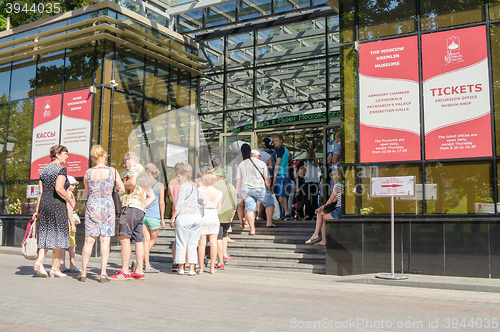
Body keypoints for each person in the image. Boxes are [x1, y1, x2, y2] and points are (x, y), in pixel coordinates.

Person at [80, 145, 125, 282]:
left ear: (93, 158)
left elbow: (87, 192)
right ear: (105, 155)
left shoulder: (88, 173)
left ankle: (83, 272)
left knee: (89, 240)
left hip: (92, 205)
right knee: (105, 240)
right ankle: (103, 273)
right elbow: (121, 189)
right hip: (107, 206)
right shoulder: (112, 171)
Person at [110, 152, 155, 280]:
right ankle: (139, 271)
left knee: (124, 237)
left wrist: (119, 186)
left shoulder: (135, 168)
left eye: (125, 161)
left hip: (130, 206)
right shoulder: (145, 175)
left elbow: (132, 182)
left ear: (131, 159)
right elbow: (152, 196)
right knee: (138, 240)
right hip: (140, 209)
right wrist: (143, 205)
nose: (124, 165)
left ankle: (124, 271)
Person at [32, 145, 76, 278]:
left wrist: (37, 209)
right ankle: (54, 268)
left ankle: (40, 262)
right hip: (57, 204)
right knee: (60, 234)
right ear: (57, 154)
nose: (67, 156)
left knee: (46, 232)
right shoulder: (61, 169)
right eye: (65, 154)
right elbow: (59, 189)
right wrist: (71, 201)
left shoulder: (44, 170)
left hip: (45, 203)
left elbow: (40, 192)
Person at [170, 163, 202, 276]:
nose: (177, 179)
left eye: (178, 177)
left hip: (184, 216)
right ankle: (192, 268)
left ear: (183, 177)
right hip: (196, 216)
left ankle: (181, 267)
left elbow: (179, 203)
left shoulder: (183, 187)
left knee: (181, 243)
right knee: (193, 244)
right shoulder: (194, 187)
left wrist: (173, 217)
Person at [236, 149, 276, 234]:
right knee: (270, 203)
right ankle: (269, 223)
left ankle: (252, 230)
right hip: (259, 189)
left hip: (246, 190)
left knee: (250, 209)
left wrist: (240, 190)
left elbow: (239, 179)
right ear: (259, 156)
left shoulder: (242, 164)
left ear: (250, 154)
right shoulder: (262, 164)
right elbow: (267, 178)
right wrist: (268, 189)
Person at [306, 170, 342, 246]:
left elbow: (330, 200)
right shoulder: (342, 185)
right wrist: (321, 208)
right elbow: (334, 201)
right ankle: (322, 240)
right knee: (322, 217)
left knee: (319, 214)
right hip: (340, 211)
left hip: (338, 211)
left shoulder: (337, 186)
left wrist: (321, 209)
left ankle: (316, 235)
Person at [197, 172, 222, 274]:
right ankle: (212, 267)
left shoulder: (200, 190)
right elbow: (219, 208)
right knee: (213, 242)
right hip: (214, 216)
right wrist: (214, 214)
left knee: (202, 243)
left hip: (203, 215)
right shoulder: (219, 192)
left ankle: (201, 268)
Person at [142, 163, 165, 273]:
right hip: (154, 216)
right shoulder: (160, 185)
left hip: (143, 214)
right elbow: (161, 203)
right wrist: (163, 218)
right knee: (153, 240)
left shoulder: (143, 184)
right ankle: (142, 260)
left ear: (146, 171)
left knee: (145, 241)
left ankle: (145, 264)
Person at [212, 167, 237, 269]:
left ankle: (220, 261)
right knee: (224, 236)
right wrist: (231, 216)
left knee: (217, 238)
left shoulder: (214, 186)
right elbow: (235, 203)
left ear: (217, 176)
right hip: (228, 215)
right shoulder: (231, 186)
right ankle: (224, 254)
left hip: (217, 215)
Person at [59, 176, 80, 274]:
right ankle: (72, 264)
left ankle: (62, 265)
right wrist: (73, 224)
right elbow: (70, 209)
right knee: (71, 244)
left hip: (63, 221)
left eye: (74, 185)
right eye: (72, 185)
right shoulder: (68, 194)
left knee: (64, 244)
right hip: (68, 222)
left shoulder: (63, 194)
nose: (73, 187)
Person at [272, 134, 291, 220]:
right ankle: (286, 213)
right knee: (283, 195)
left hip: (279, 174)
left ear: (281, 141)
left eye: (276, 140)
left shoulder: (280, 150)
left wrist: (275, 176)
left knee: (279, 196)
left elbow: (278, 163)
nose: (274, 142)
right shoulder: (286, 150)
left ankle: (279, 214)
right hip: (285, 174)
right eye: (274, 141)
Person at [237, 144, 251, 228]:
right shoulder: (250, 161)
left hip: (239, 183)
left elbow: (238, 174)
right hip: (247, 183)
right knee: (247, 203)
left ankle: (241, 222)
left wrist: (239, 189)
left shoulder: (238, 160)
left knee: (240, 204)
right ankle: (246, 222)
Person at [303, 148, 320, 220]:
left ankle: (307, 214)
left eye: (306, 153)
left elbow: (304, 171)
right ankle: (315, 214)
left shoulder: (306, 162)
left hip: (307, 181)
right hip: (315, 181)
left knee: (307, 198)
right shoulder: (316, 162)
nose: (306, 154)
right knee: (315, 198)